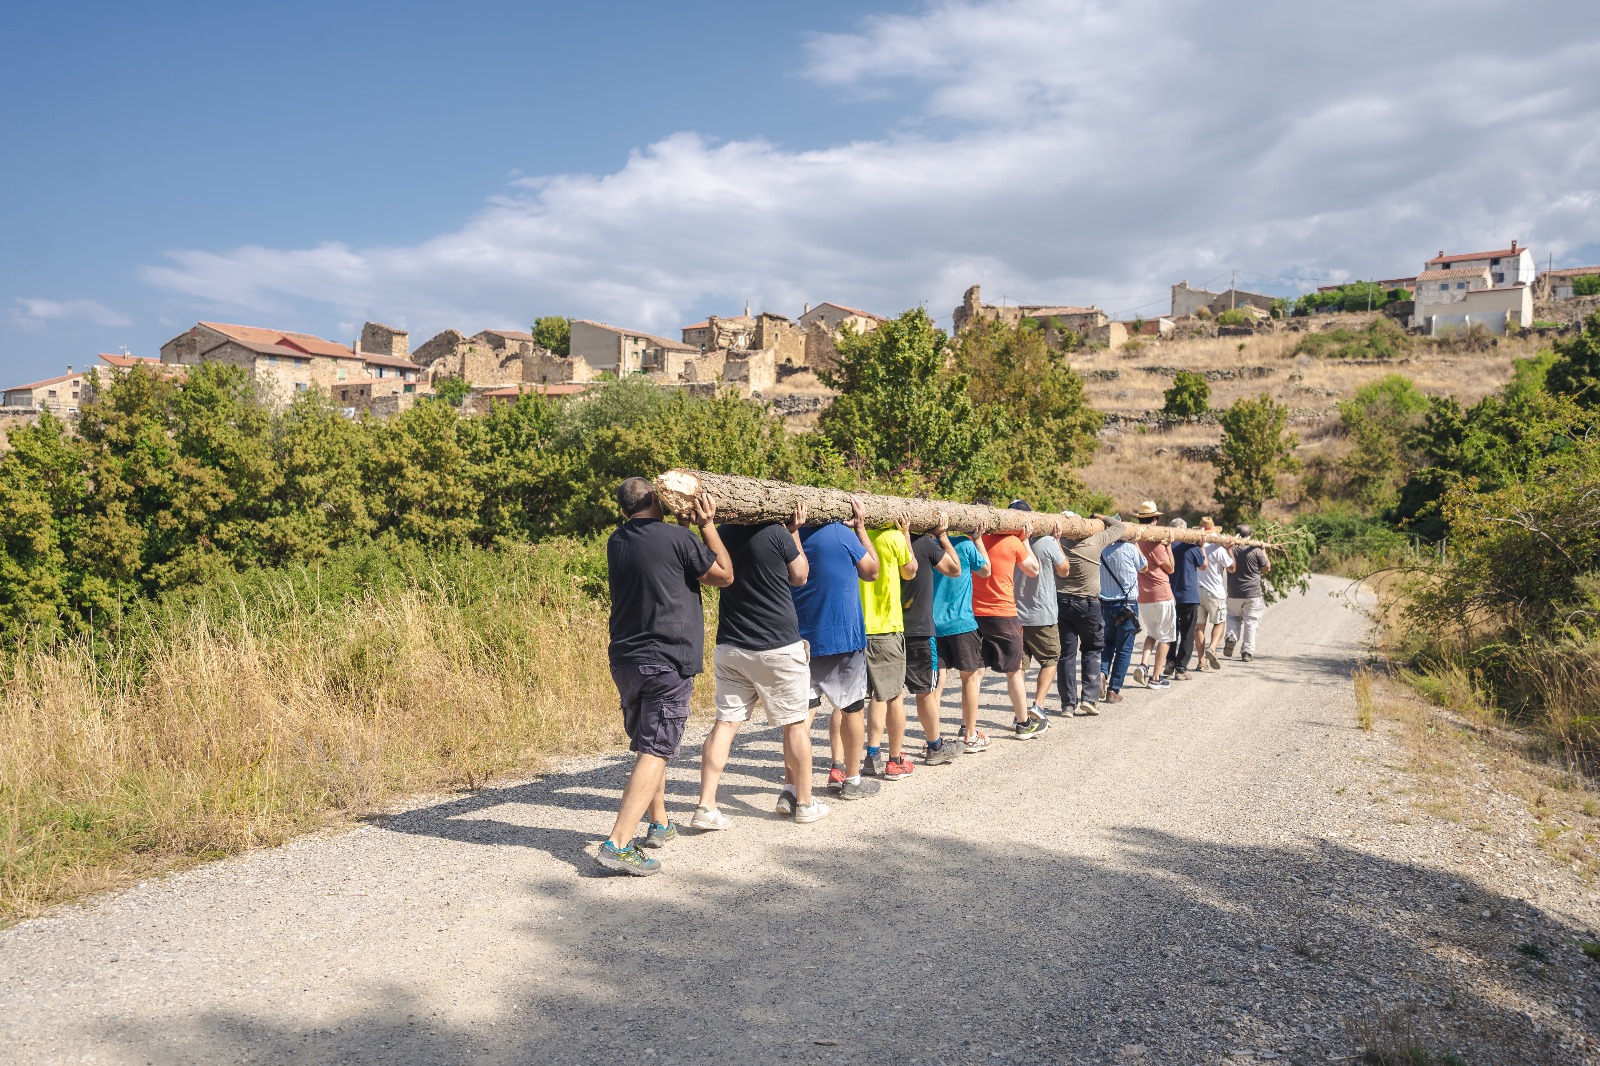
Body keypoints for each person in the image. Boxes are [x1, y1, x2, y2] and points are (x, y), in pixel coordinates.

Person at [599, 477, 734, 877]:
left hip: (626, 659)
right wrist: (706, 525)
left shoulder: (617, 540)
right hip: (667, 659)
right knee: (656, 749)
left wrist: (685, 531)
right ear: (659, 498)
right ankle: (618, 843)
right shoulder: (678, 540)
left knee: (647, 742)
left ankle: (659, 822)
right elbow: (724, 574)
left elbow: (666, 558)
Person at [693, 501, 831, 830]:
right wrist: (794, 533)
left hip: (731, 645)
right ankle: (805, 803)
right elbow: (800, 576)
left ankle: (706, 806)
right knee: (796, 724)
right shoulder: (777, 533)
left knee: (725, 724)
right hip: (778, 647)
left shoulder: (720, 534)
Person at [791, 497, 882, 801]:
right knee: (852, 708)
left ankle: (792, 790)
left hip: (800, 640)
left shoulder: (790, 534)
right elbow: (871, 570)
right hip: (843, 639)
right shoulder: (841, 534)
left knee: (800, 717)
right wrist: (861, 529)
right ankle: (852, 780)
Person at [973, 500, 1047, 740]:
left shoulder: (971, 540)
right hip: (1003, 613)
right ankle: (1023, 724)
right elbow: (1033, 570)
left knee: (976, 671)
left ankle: (969, 728)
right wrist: (1025, 539)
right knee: (1014, 670)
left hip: (974, 613)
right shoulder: (1013, 541)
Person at [900, 515, 963, 764]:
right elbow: (954, 569)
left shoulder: (884, 541)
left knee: (885, 696)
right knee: (926, 690)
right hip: (920, 629)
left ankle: (876, 753)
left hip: (888, 628)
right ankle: (935, 746)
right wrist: (943, 536)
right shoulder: (925, 545)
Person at [860, 515, 918, 781]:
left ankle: (867, 755)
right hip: (885, 626)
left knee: (850, 700)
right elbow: (910, 571)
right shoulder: (892, 537)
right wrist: (906, 534)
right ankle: (894, 760)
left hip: (855, 627)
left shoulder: (851, 536)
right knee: (892, 695)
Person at [1055, 510, 1127, 716]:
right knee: (1092, 650)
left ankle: (1068, 705)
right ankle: (1089, 699)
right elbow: (1120, 527)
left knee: (1066, 655)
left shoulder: (1057, 545)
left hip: (1062, 603)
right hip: (1089, 605)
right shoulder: (1094, 542)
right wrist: (1102, 518)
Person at [932, 520, 994, 753]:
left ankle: (934, 738)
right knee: (970, 679)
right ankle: (969, 735)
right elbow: (986, 570)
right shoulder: (966, 546)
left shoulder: (926, 546)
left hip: (934, 623)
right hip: (961, 623)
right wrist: (978, 538)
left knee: (936, 683)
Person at [1008, 500, 1070, 720]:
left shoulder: (1006, 541)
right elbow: (1064, 571)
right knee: (1051, 659)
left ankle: (1021, 710)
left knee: (1020, 666)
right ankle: (1038, 705)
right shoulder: (1046, 542)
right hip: (1042, 613)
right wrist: (1058, 541)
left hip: (1014, 614)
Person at [1130, 501, 1176, 690]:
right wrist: (1169, 547)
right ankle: (1155, 678)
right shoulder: (1156, 542)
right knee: (1165, 637)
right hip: (1161, 594)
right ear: (1155, 519)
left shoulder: (1136, 540)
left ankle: (1144, 664)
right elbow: (1170, 568)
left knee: (1152, 633)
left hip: (1144, 595)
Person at [1099, 526, 1146, 704]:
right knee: (1124, 648)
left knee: (1106, 643)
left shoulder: (1101, 550)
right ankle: (1113, 690)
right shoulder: (1130, 549)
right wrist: (1136, 543)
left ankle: (1102, 674)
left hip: (1105, 604)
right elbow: (1144, 567)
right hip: (1127, 606)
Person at [1164, 517, 1206, 682]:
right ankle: (1180, 668)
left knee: (1170, 630)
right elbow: (1203, 565)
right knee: (1187, 632)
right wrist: (1201, 547)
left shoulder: (1165, 546)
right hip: (1188, 595)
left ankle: (1169, 661)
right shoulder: (1192, 547)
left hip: (1169, 595)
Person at [1225, 524, 1272, 662]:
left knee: (1233, 617)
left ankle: (1231, 636)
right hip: (1252, 593)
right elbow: (1267, 567)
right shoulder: (1256, 550)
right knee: (1251, 622)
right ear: (1250, 536)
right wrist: (1263, 550)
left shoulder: (1230, 549)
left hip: (1234, 592)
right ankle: (1246, 652)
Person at [1194, 516, 1235, 669]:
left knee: (1199, 627)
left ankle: (1201, 661)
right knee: (1219, 622)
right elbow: (1232, 568)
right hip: (1214, 591)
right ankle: (1212, 648)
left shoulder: (1195, 546)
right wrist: (1229, 549)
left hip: (1197, 591)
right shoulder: (1218, 550)